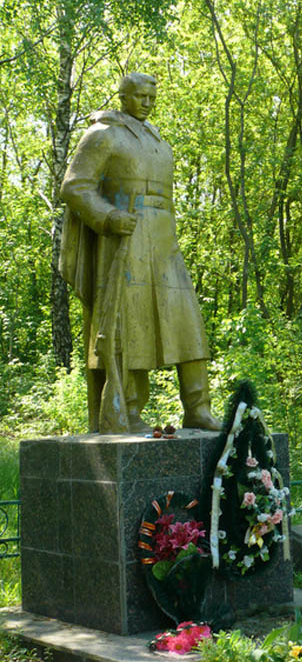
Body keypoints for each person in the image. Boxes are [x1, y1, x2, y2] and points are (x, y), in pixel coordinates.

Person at [59, 72, 221, 432]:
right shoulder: (103, 134)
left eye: (152, 96)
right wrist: (109, 217)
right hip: (125, 238)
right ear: (123, 96)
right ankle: (127, 410)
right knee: (127, 326)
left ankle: (198, 407)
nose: (147, 103)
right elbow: (74, 186)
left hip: (164, 241)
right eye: (140, 96)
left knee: (186, 320)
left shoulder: (157, 139)